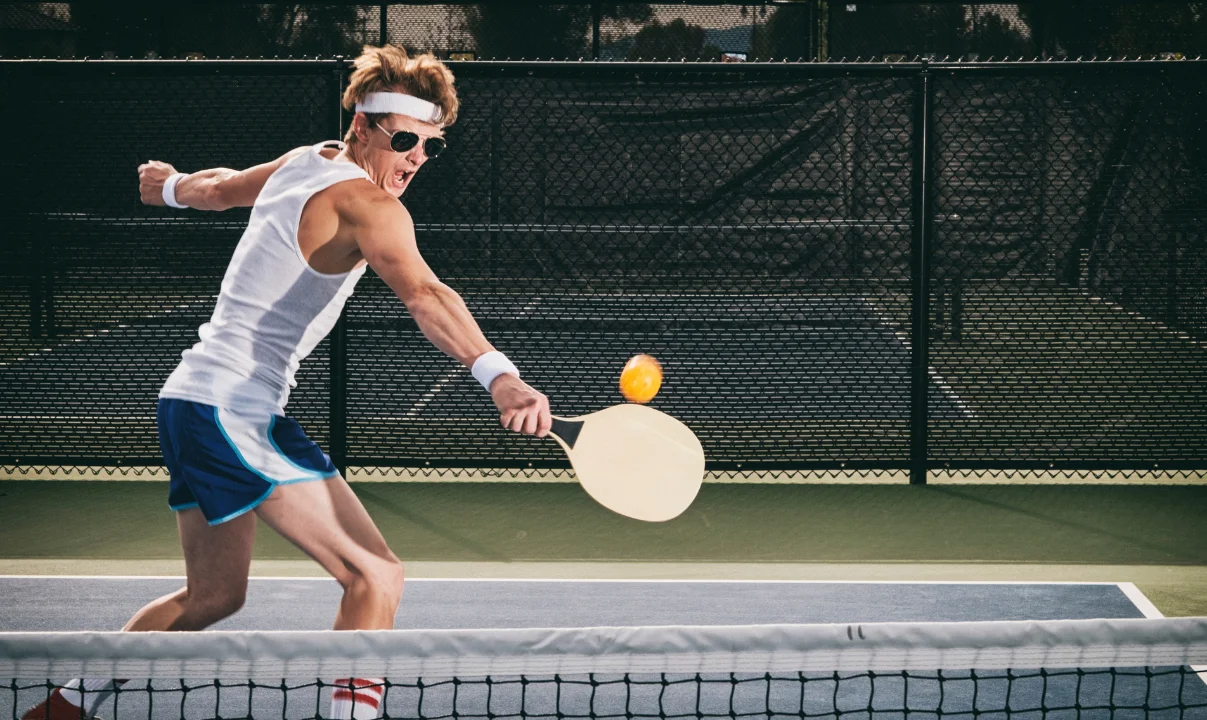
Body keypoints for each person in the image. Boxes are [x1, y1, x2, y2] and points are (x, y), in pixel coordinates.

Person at [23, 44, 552, 720]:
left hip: (191, 402)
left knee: (214, 597)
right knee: (375, 574)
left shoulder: (310, 158)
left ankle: (64, 708)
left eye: (430, 146)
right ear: (362, 126)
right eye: (406, 139)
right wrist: (499, 375)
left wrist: (173, 187)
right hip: (230, 410)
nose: (417, 156)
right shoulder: (370, 205)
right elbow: (424, 291)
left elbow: (219, 189)